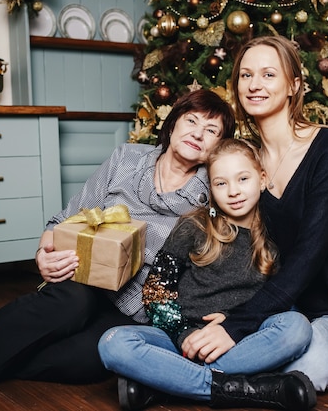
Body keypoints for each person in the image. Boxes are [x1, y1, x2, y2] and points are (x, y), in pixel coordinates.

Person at [0, 89, 236, 391]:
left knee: (85, 363)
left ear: (217, 148)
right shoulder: (126, 158)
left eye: (211, 131)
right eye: (192, 121)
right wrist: (44, 253)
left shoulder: (211, 198)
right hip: (85, 279)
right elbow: (66, 219)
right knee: (71, 305)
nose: (198, 134)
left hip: (136, 307)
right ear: (173, 123)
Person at [98, 138, 316, 411]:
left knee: (297, 326)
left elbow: (281, 301)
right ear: (211, 188)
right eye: (221, 183)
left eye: (243, 179)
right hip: (180, 340)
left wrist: (237, 324)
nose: (233, 191)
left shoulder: (275, 239)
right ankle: (241, 389)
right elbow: (156, 290)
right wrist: (183, 334)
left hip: (238, 342)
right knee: (113, 343)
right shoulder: (194, 225)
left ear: (262, 179)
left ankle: (169, 384)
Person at [214, 35, 328, 392]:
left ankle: (181, 383)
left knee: (296, 377)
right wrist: (234, 312)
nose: (254, 85)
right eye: (245, 75)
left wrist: (237, 324)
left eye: (269, 75)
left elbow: (308, 255)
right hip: (283, 312)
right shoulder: (247, 164)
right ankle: (200, 379)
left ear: (293, 85)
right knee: (250, 364)